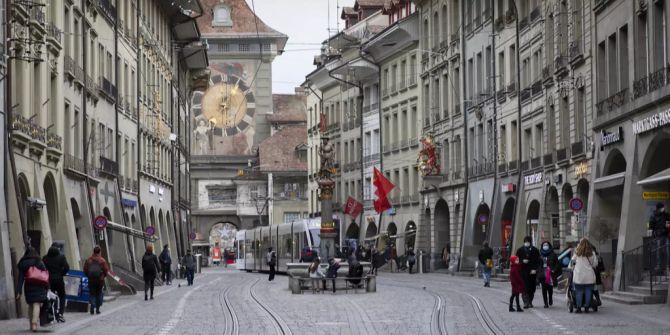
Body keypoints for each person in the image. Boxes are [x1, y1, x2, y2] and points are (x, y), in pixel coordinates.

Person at [17, 247, 49, 332]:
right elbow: (45, 275)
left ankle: (31, 325)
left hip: (28, 286)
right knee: (36, 304)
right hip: (39, 285)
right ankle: (34, 324)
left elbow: (20, 278)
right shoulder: (39, 261)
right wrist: (47, 287)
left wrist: (18, 291)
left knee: (31, 305)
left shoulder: (23, 263)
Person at [43, 243, 70, 322]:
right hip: (59, 280)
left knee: (51, 297)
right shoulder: (61, 257)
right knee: (62, 296)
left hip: (49, 280)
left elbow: (43, 269)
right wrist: (62, 273)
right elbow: (67, 267)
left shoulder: (45, 258)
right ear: (57, 249)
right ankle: (60, 313)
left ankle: (53, 313)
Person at [570, 238, 598, 313]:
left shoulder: (577, 252)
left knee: (579, 291)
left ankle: (579, 308)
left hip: (579, 276)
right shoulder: (592, 253)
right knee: (588, 291)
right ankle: (587, 307)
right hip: (589, 275)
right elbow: (595, 264)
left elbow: (572, 261)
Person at [83, 246, 110, 315]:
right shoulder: (102, 260)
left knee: (92, 293)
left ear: (93, 252)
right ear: (99, 252)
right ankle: (97, 308)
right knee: (99, 293)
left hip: (91, 279)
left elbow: (85, 269)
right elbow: (106, 270)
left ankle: (92, 306)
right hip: (99, 280)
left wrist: (89, 276)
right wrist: (103, 276)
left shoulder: (88, 260)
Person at [516, 236, 540, 308]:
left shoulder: (535, 250)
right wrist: (522, 261)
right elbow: (516, 260)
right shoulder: (520, 250)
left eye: (528, 242)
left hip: (532, 272)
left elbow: (538, 261)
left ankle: (530, 301)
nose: (527, 243)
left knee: (531, 288)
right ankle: (525, 302)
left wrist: (535, 269)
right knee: (524, 287)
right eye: (526, 242)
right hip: (523, 271)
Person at [537, 241, 561, 308]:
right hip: (543, 274)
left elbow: (557, 264)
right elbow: (538, 264)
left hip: (551, 274)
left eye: (546, 245)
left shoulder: (553, 254)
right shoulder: (540, 254)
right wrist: (539, 271)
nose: (545, 246)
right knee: (544, 289)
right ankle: (545, 303)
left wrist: (554, 270)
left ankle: (550, 298)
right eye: (544, 245)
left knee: (550, 288)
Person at [649, 202, 670, 270]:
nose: (663, 209)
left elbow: (669, 223)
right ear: (658, 208)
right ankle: (658, 265)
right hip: (658, 235)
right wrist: (653, 234)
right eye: (662, 208)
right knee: (658, 250)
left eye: (663, 207)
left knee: (667, 250)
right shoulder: (653, 216)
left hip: (666, 235)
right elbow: (651, 226)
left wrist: (668, 228)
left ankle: (668, 266)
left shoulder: (666, 215)